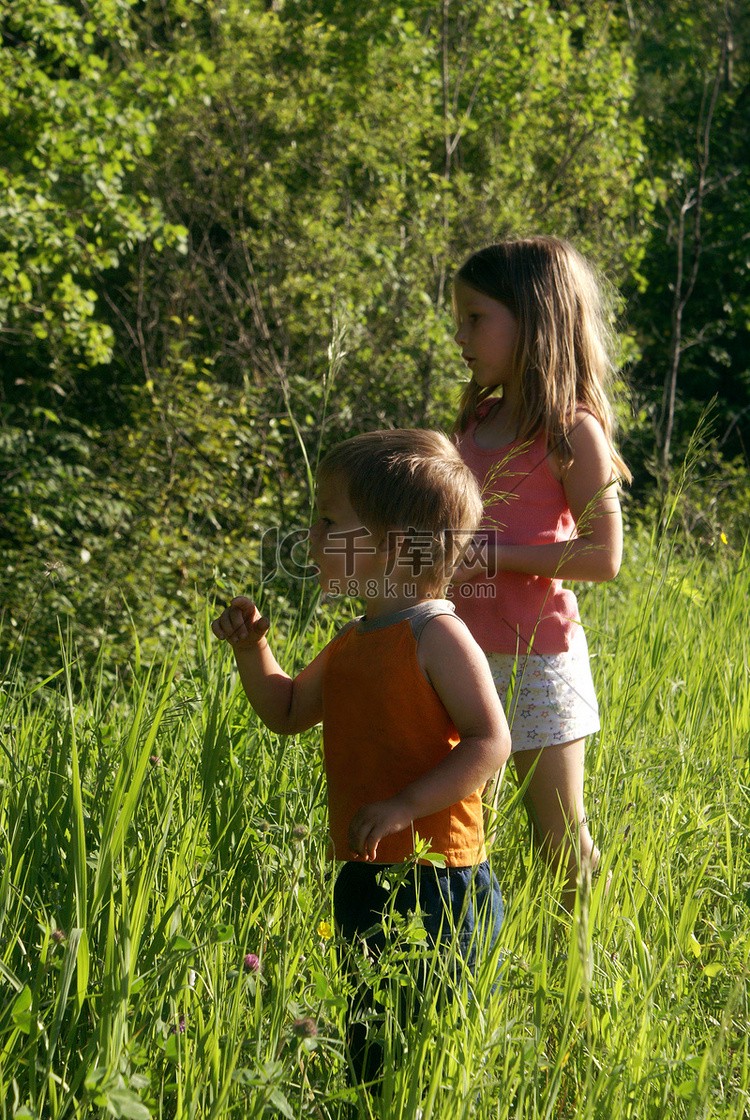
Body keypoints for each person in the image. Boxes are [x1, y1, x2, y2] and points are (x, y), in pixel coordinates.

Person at [211, 429, 511, 1089]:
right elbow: (287, 711)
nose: (313, 537)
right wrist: (251, 652)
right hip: (364, 872)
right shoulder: (353, 642)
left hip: (439, 882)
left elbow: (492, 740)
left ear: (395, 547)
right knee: (370, 1035)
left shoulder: (438, 636)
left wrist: (406, 804)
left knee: (428, 1038)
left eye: (328, 521)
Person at [449, 236, 630, 908]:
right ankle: (465, 983)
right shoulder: (477, 420)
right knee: (463, 834)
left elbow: (602, 556)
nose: (460, 335)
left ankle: (573, 1001)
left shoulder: (570, 430)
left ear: (533, 319)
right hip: (457, 654)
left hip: (536, 662)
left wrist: (493, 555)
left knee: (560, 842)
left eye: (475, 318)